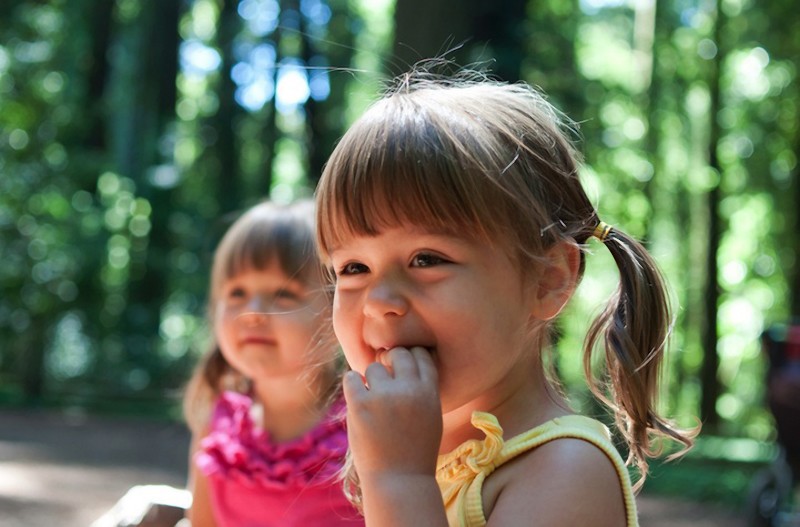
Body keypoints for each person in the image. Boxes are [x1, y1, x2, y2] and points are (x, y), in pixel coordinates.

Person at [314, 66, 696, 527]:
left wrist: (397, 482)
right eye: (353, 268)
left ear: (547, 280)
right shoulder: (426, 463)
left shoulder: (567, 471)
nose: (380, 300)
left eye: (427, 259)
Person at [183, 199, 363, 527]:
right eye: (236, 293)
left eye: (283, 294)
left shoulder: (369, 427)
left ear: (337, 309)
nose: (252, 313)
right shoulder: (216, 428)